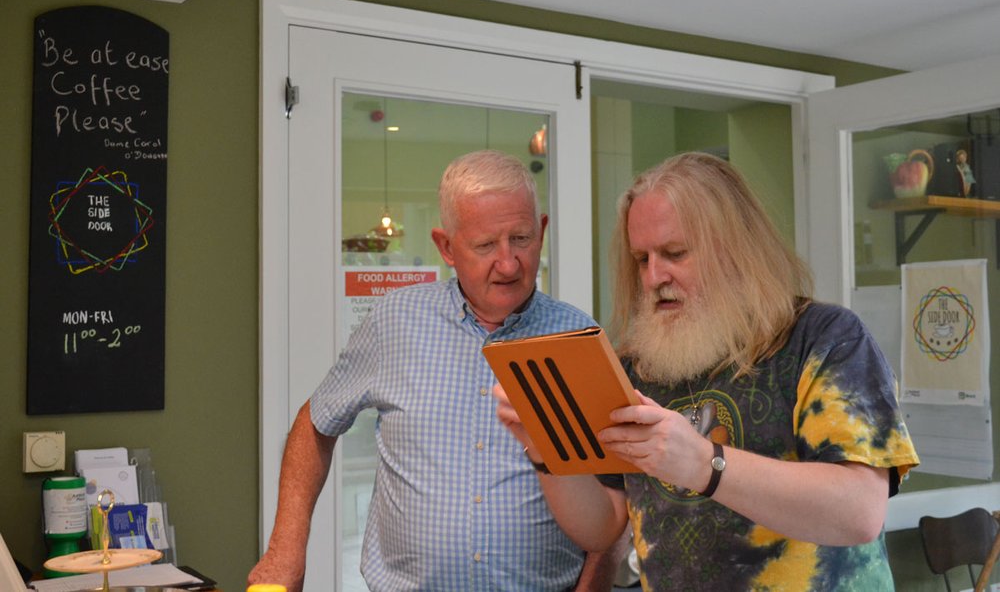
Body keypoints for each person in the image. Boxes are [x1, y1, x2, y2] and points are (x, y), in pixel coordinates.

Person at [495, 152, 920, 590]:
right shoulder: (638, 367)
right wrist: (545, 452)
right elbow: (602, 527)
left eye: (674, 253)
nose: (654, 276)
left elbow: (859, 512)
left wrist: (704, 463)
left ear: (736, 249)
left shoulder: (824, 338)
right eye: (642, 259)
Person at [249, 150, 627, 592]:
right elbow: (314, 425)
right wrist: (285, 553)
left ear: (541, 232)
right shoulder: (395, 322)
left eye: (521, 239)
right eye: (485, 245)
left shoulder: (579, 338)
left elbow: (616, 492)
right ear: (445, 246)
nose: (508, 264)